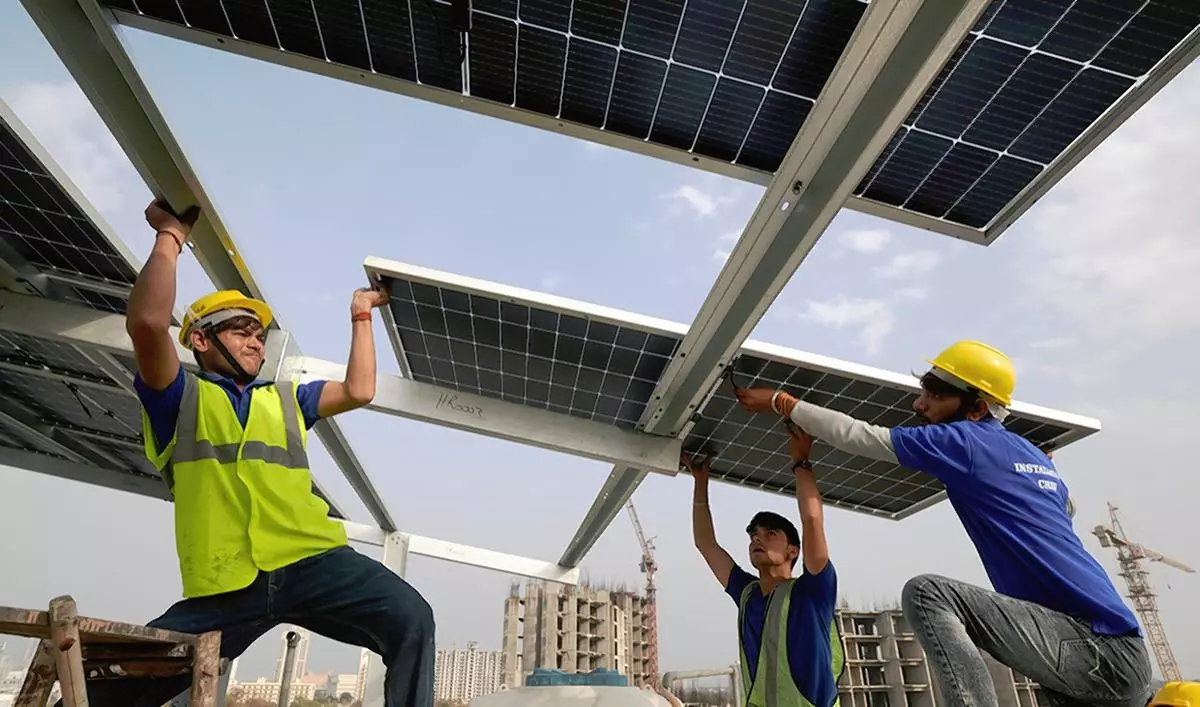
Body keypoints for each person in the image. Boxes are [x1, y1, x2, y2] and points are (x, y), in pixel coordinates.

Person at [83, 200, 435, 707]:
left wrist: (361, 316)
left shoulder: (287, 399)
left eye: (258, 334)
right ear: (201, 340)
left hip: (313, 560)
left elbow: (359, 390)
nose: (255, 342)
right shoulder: (176, 398)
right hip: (228, 584)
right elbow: (146, 323)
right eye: (240, 331)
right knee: (114, 683)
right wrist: (170, 236)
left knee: (411, 618)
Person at [731, 340, 1151, 707]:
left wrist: (783, 403)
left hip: (1091, 647)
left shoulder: (965, 440)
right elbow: (1066, 510)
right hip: (1113, 659)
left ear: (977, 408)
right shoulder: (1035, 457)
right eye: (923, 391)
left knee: (928, 594)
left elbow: (861, 436)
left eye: (934, 394)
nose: (919, 404)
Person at [684, 421, 844, 707]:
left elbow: (812, 520)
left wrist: (801, 463)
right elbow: (706, 544)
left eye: (770, 534)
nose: (758, 539)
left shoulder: (813, 592)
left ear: (793, 551)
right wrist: (700, 484)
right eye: (754, 535)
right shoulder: (747, 593)